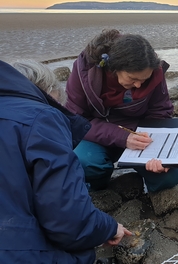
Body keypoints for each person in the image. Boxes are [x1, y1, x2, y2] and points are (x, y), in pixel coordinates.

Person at [0, 60, 131, 263]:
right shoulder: (43, 116)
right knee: (82, 253)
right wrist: (109, 228)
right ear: (50, 93)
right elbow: (67, 221)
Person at [65, 29, 178, 192]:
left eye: (144, 80)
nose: (138, 85)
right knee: (83, 161)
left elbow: (160, 112)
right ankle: (102, 189)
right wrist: (122, 137)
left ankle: (150, 193)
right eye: (133, 79)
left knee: (171, 173)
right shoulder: (84, 71)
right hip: (96, 134)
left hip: (140, 134)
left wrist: (160, 153)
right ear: (114, 67)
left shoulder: (152, 70)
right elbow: (76, 120)